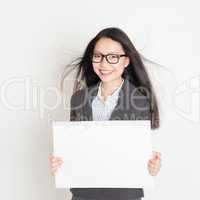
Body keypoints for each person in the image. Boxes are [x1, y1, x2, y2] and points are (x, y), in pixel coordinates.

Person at [49, 27, 161, 200]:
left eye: (113, 57)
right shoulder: (79, 99)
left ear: (126, 61)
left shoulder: (140, 101)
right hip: (84, 194)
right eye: (98, 56)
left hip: (124, 195)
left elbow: (136, 156)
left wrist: (152, 166)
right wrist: (62, 162)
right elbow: (77, 148)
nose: (104, 64)